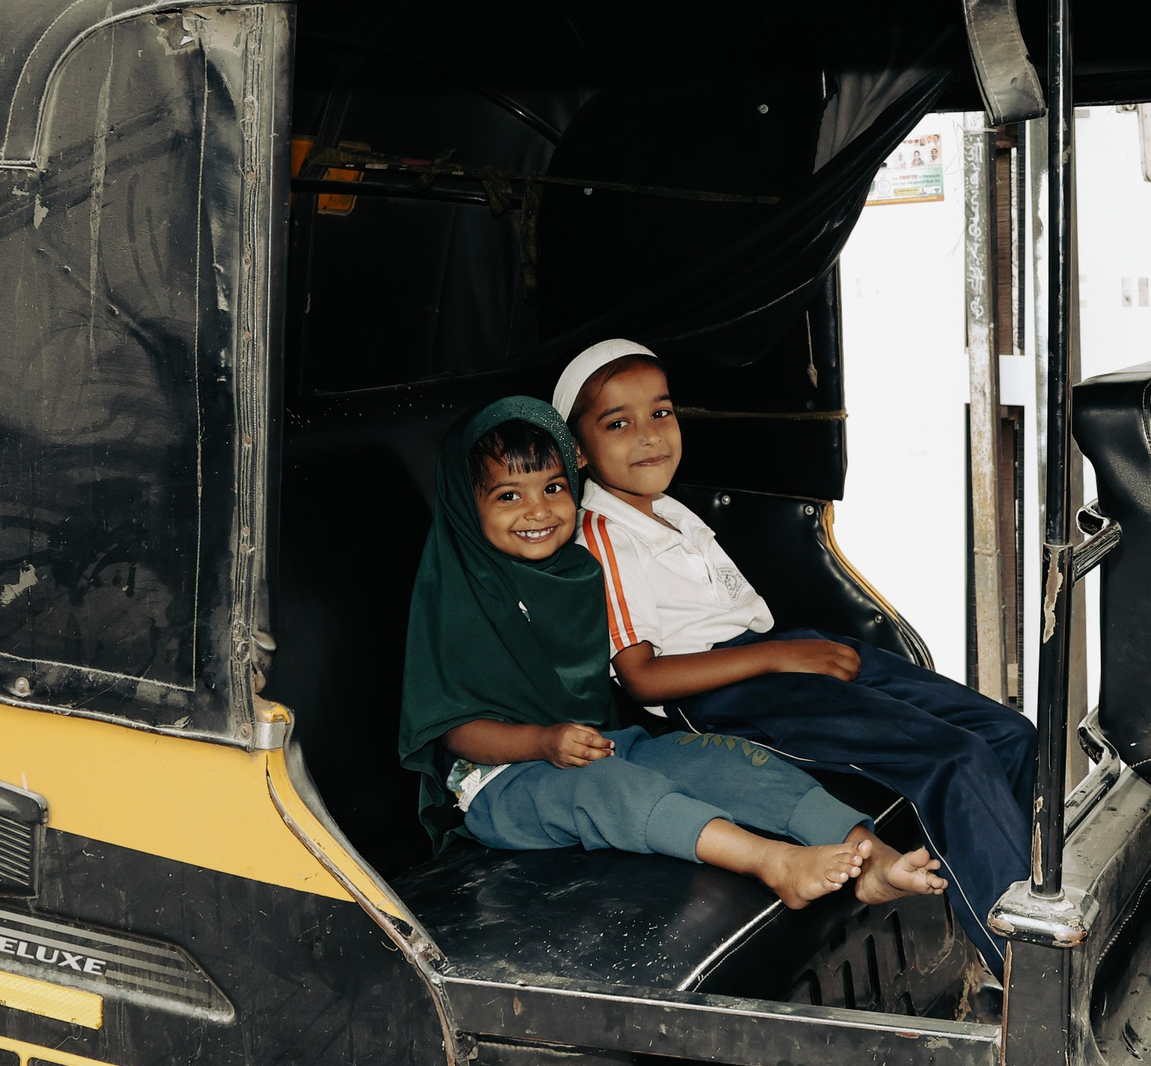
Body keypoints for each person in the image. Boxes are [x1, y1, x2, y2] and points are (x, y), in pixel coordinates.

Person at [551, 339, 1038, 974]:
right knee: (955, 759)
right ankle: (1029, 980)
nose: (648, 436)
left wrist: (790, 651)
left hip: (767, 656)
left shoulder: (670, 512)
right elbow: (643, 678)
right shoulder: (603, 534)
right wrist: (777, 660)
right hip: (724, 693)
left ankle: (1009, 922)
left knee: (1008, 731)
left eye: (661, 413)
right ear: (580, 450)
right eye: (618, 423)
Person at [398, 395, 948, 911]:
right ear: (467, 507)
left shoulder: (577, 572)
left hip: (597, 746)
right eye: (509, 495)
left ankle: (871, 858)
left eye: (554, 487)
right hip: (503, 781)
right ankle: (773, 862)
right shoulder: (459, 593)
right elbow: (455, 731)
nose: (538, 511)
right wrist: (541, 742)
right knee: (611, 789)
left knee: (721, 757)